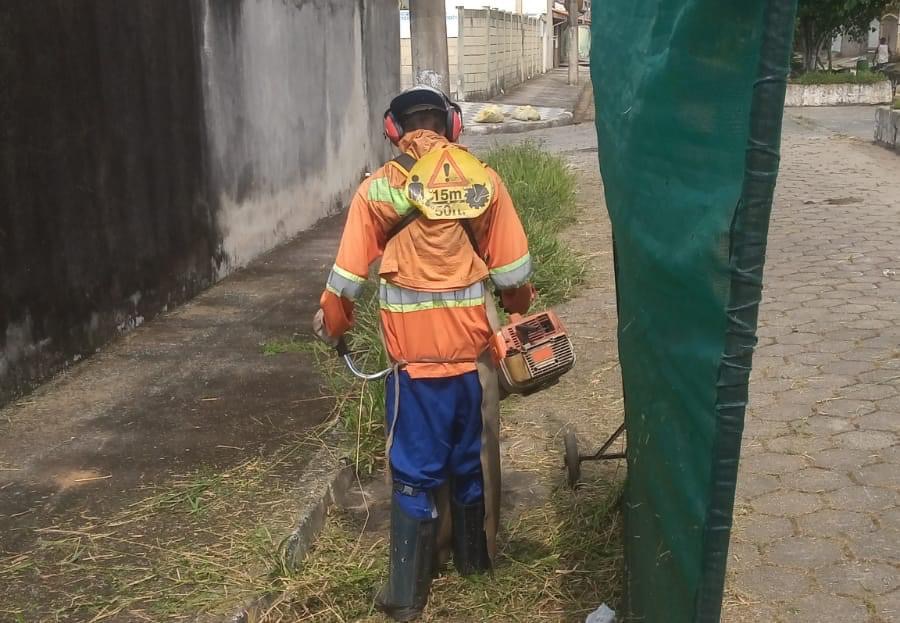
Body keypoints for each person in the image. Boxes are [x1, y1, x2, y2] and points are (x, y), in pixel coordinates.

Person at [312, 85, 535, 621]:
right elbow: (515, 277)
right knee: (468, 461)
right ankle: (474, 564)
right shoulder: (484, 182)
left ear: (393, 130)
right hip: (474, 362)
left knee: (413, 470)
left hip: (412, 370)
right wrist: (517, 313)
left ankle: (408, 594)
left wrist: (335, 328)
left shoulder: (377, 193)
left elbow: (342, 288)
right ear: (453, 126)